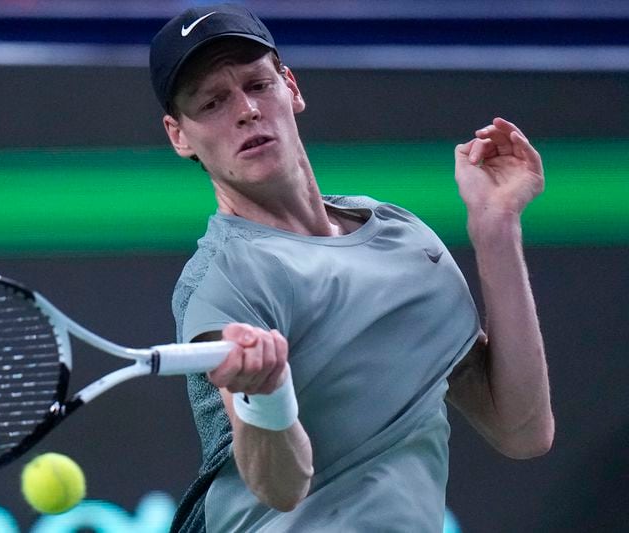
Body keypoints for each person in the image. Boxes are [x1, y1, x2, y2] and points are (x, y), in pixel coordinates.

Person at [149, 4, 554, 532]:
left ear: (290, 87)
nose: (246, 110)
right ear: (179, 136)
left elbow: (521, 430)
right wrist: (265, 394)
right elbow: (281, 488)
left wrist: (495, 229)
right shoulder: (226, 278)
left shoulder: (402, 237)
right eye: (213, 102)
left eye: (257, 84)